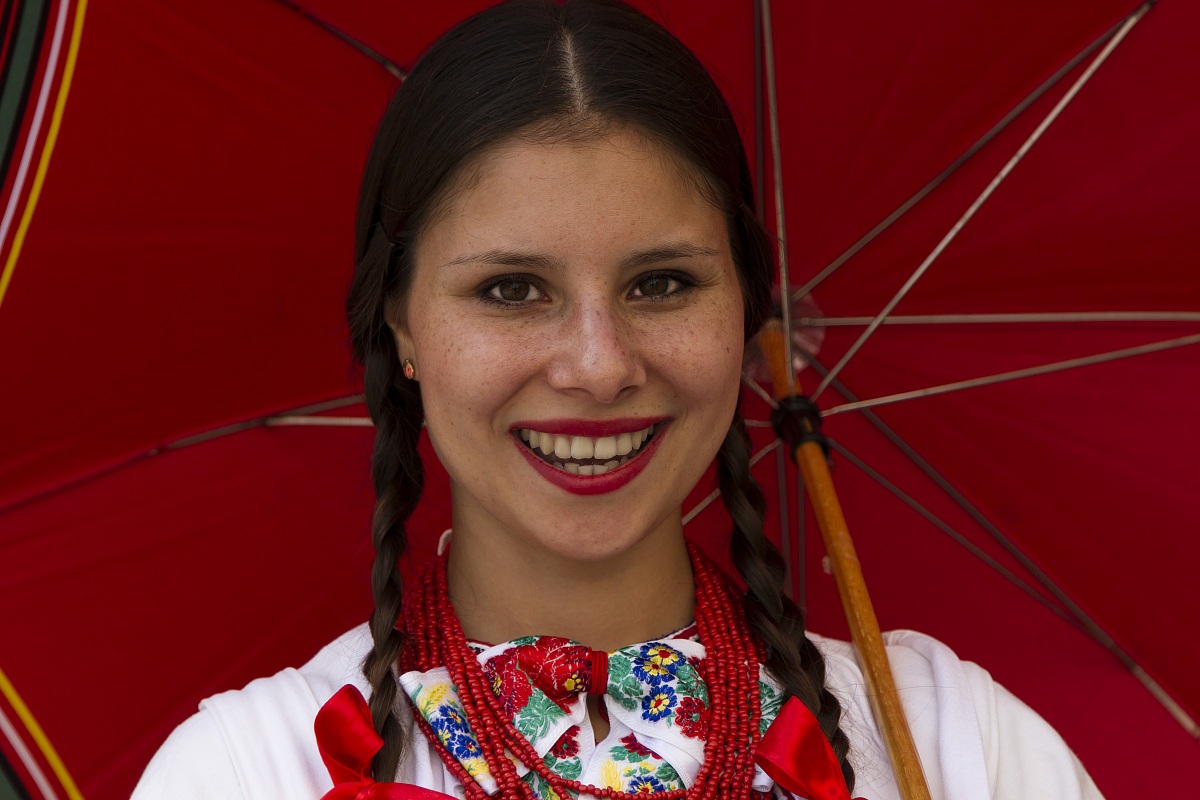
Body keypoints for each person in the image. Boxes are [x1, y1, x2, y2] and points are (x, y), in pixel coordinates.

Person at [132, 2, 1104, 799]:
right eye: (512, 289)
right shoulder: (250, 772)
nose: (599, 367)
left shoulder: (957, 743)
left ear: (745, 307)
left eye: (662, 283)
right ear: (402, 325)